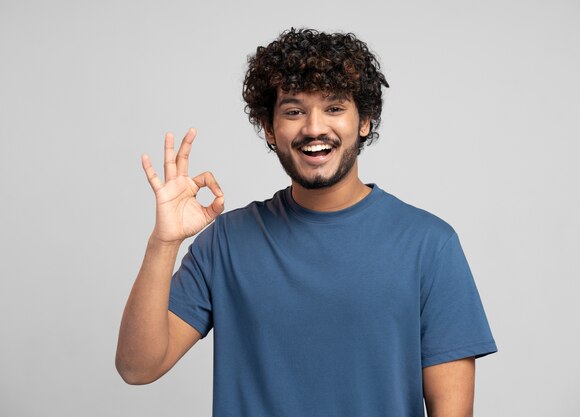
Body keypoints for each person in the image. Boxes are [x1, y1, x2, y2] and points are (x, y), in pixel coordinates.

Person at [116, 28, 497, 417]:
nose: (314, 128)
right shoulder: (226, 242)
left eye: (334, 108)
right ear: (269, 128)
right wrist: (163, 243)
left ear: (364, 121)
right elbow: (137, 367)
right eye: (294, 111)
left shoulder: (430, 245)